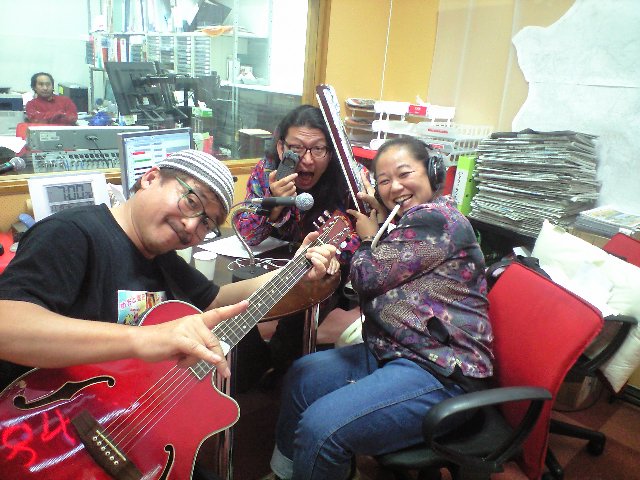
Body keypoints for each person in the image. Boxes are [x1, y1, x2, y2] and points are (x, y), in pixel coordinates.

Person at [0, 150, 335, 478]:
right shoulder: (71, 233)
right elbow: (7, 323)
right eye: (191, 202)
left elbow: (216, 301)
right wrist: (144, 339)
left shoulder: (159, 256)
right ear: (150, 178)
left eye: (206, 223)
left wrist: (292, 272)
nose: (191, 226)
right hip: (47, 437)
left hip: (126, 430)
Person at [266, 137, 494, 480]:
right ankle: (287, 473)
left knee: (321, 427)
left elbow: (366, 277)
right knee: (302, 375)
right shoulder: (409, 221)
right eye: (384, 180)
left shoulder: (436, 219)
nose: (394, 187)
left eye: (404, 174)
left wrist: (368, 237)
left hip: (441, 369)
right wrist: (385, 223)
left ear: (433, 173)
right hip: (397, 351)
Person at [233, 105, 363, 384]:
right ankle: (251, 366)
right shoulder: (266, 171)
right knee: (235, 304)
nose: (307, 160)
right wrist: (274, 205)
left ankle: (284, 372)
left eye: (318, 149)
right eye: (296, 149)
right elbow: (248, 235)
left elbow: (363, 236)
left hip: (324, 268)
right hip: (275, 263)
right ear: (281, 147)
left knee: (296, 317)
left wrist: (331, 254)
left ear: (331, 152)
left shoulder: (350, 177)